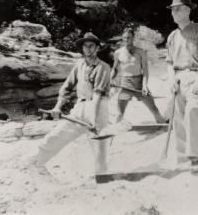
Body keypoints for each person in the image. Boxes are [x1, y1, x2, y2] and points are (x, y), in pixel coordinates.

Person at [30, 32, 111, 177]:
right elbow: (66, 87)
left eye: (91, 46)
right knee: (58, 134)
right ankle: (37, 164)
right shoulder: (79, 65)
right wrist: (57, 107)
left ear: (98, 48)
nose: (88, 49)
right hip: (80, 107)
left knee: (98, 144)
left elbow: (98, 94)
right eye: (85, 46)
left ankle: (102, 178)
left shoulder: (103, 67)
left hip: (98, 108)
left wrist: (93, 119)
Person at [166, 0, 198, 170]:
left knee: (193, 111)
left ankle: (195, 158)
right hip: (177, 79)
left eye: (178, 9)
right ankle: (182, 160)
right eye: (172, 10)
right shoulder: (172, 36)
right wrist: (171, 79)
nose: (174, 13)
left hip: (196, 76)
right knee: (177, 118)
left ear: (187, 10)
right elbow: (169, 63)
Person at [110, 28, 166, 125]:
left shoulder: (141, 52)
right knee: (120, 112)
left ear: (133, 38)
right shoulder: (118, 53)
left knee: (153, 108)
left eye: (128, 37)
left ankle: (162, 123)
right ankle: (114, 130)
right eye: (124, 38)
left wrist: (145, 86)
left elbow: (145, 71)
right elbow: (115, 69)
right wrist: (110, 80)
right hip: (126, 84)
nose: (126, 40)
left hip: (139, 83)